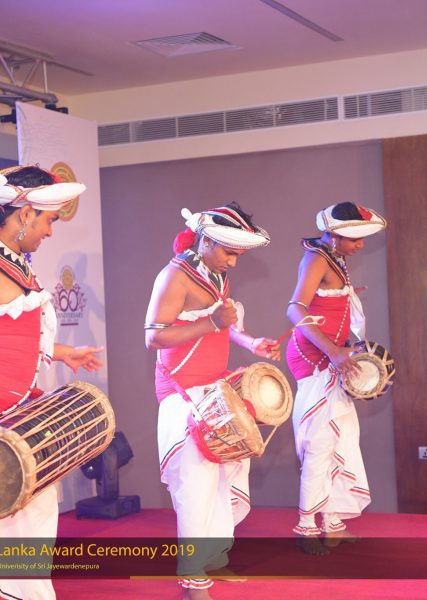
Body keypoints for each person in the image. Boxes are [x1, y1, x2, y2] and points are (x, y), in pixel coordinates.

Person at [145, 203, 280, 599]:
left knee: (222, 481)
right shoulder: (174, 276)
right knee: (196, 486)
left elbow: (225, 325)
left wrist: (251, 342)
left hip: (215, 389)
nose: (233, 262)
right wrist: (211, 322)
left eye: (237, 255)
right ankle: (192, 577)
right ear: (205, 240)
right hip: (183, 392)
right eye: (228, 252)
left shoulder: (216, 274)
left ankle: (213, 558)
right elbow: (154, 336)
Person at [0, 165, 104, 600]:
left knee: (29, 525)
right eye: (48, 220)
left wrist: (63, 352)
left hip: (16, 418)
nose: (49, 231)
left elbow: (12, 337)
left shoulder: (14, 265)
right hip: (5, 419)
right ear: (24, 213)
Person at [286, 201, 387, 555]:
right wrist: (332, 350)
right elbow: (294, 308)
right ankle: (306, 526)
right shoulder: (315, 258)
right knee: (320, 442)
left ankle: (331, 520)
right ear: (333, 234)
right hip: (314, 356)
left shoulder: (335, 259)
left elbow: (324, 302)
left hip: (333, 353)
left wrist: (347, 297)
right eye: (354, 238)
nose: (360, 245)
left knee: (341, 437)